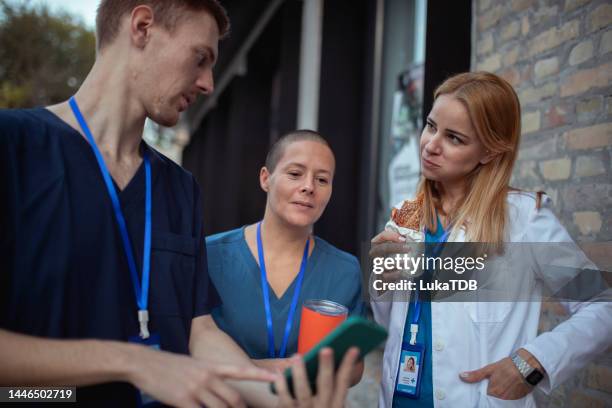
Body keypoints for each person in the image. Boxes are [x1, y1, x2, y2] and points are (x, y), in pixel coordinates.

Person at [0, 1, 359, 407]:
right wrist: (130, 362)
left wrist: (275, 397)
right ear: (142, 26)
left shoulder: (179, 188)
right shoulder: (15, 149)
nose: (208, 83)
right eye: (200, 58)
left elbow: (199, 332)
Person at [369, 71, 612, 407]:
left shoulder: (524, 219)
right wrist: (382, 279)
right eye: (431, 125)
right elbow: (390, 324)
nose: (431, 145)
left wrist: (533, 362)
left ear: (489, 152)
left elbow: (602, 306)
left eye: (454, 138)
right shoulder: (405, 215)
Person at [206, 130, 365, 380]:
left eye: (322, 180)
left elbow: (354, 370)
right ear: (265, 178)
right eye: (295, 174)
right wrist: (281, 369)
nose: (309, 187)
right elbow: (184, 350)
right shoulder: (210, 256)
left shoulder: (345, 270)